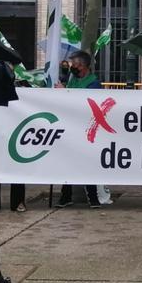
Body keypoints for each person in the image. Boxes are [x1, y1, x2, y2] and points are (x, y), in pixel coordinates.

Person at [56, 52, 102, 209]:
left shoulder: (94, 83)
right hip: (70, 128)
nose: (72, 68)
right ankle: (65, 196)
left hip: (87, 130)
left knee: (87, 162)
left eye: (74, 65)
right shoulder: (72, 80)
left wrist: (66, 93)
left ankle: (93, 197)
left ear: (83, 66)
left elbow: (87, 103)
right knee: (67, 163)